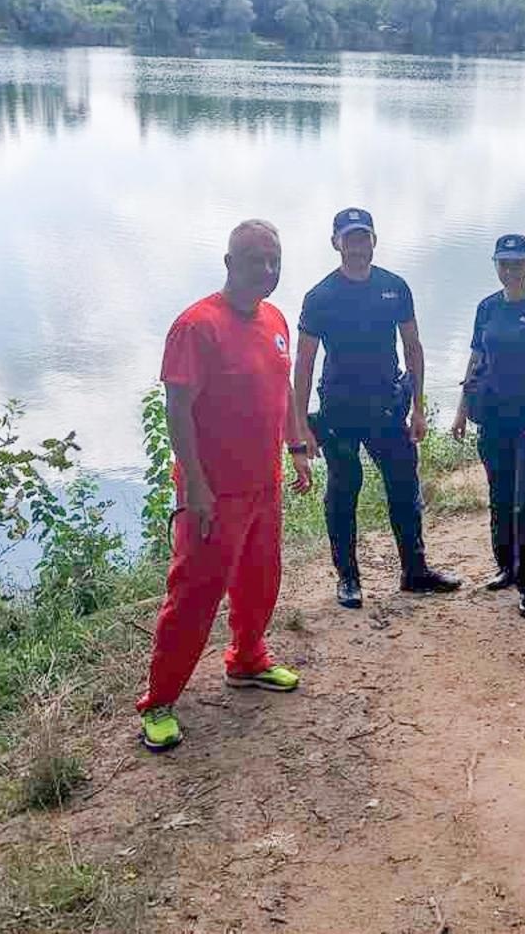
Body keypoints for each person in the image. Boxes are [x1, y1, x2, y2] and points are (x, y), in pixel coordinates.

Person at [137, 219, 314, 754]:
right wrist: (194, 485)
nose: (267, 269)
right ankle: (160, 700)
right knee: (194, 595)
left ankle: (247, 660)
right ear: (230, 262)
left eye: (274, 260)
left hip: (264, 484)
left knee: (261, 580)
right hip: (213, 494)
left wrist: (297, 448)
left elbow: (280, 388)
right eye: (256, 259)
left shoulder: (276, 319)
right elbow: (177, 410)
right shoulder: (197, 327)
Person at [294, 207, 461, 608]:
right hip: (339, 411)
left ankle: (415, 571)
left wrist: (418, 408)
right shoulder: (321, 297)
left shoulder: (394, 287)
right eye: (349, 238)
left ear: (374, 240)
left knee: (404, 488)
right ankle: (348, 578)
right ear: (336, 242)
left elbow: (413, 348)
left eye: (363, 237)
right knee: (343, 491)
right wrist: (299, 424)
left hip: (388, 407)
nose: (357, 246)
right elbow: (304, 363)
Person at [450, 234, 525, 618]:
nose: (510, 269)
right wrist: (460, 410)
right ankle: (506, 567)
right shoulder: (486, 308)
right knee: (500, 496)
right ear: (496, 265)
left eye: (517, 263)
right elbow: (475, 360)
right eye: (503, 262)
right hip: (494, 418)